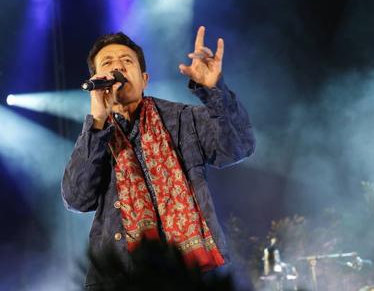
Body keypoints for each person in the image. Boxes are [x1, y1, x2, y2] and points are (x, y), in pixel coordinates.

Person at [61, 26, 256, 290]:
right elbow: (76, 198)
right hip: (123, 279)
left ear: (144, 79)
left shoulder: (183, 119)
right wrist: (97, 121)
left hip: (190, 275)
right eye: (107, 63)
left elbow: (239, 146)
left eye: (126, 61)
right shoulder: (95, 137)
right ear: (96, 80)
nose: (117, 67)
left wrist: (214, 91)